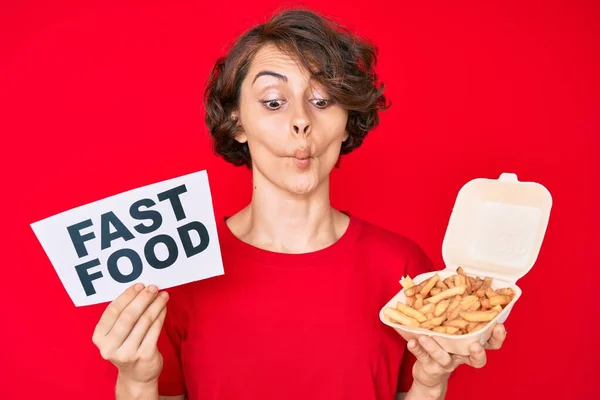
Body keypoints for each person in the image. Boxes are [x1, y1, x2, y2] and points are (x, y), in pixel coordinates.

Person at [92, 8, 507, 400]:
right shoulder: (182, 273)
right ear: (237, 122)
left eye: (322, 100)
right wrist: (135, 380)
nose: (301, 120)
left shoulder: (403, 269)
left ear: (346, 121)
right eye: (274, 102)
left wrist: (430, 384)